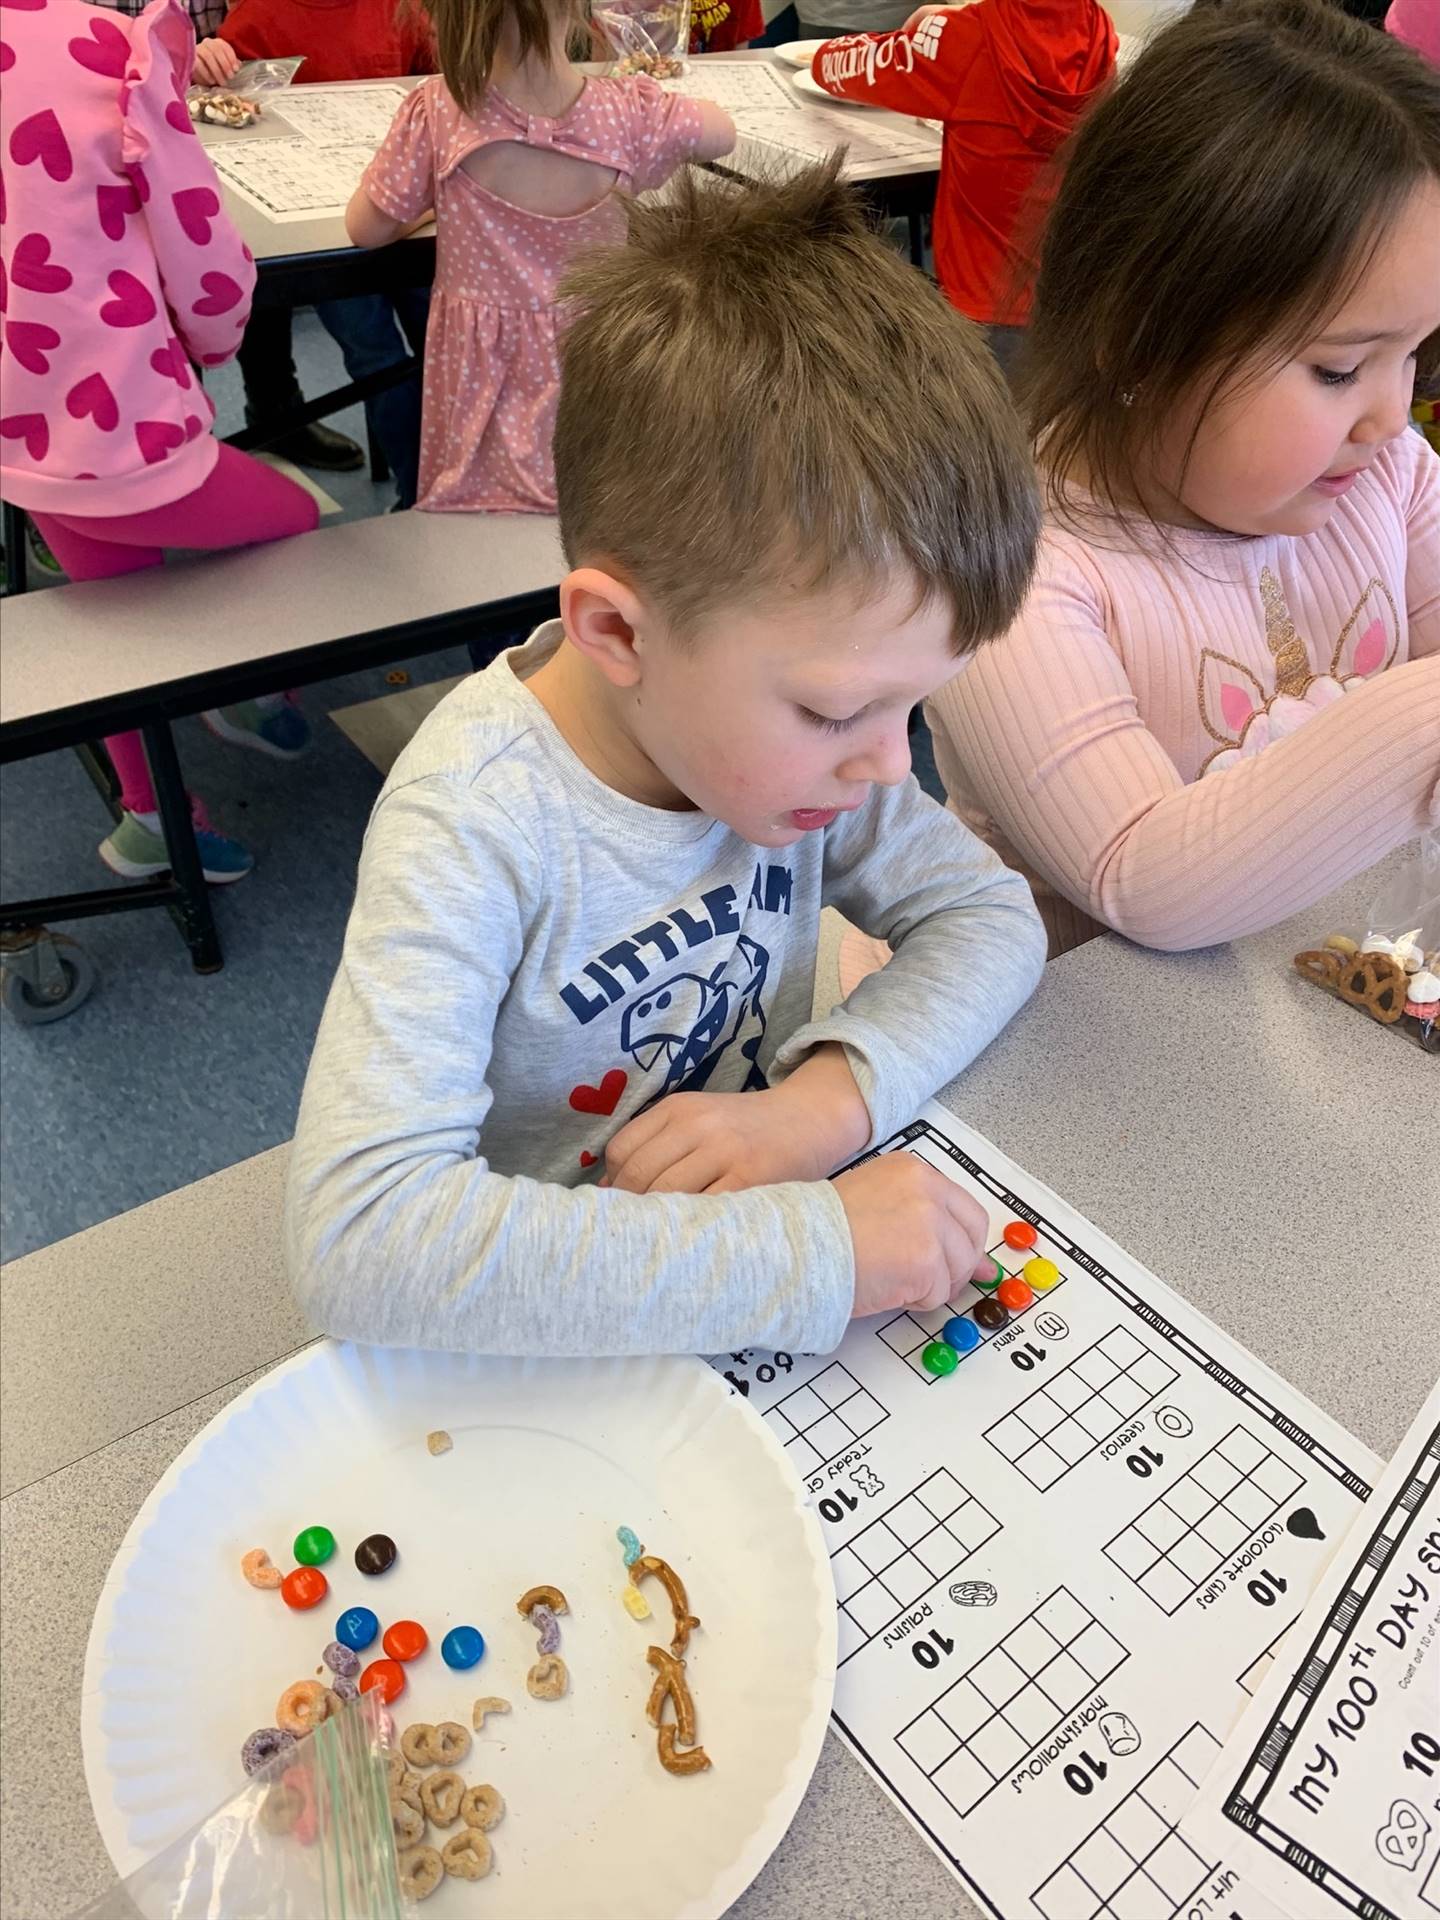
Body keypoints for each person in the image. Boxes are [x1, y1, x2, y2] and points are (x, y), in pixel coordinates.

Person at [284, 160, 1047, 1359]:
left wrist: (814, 1112)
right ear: (619, 632)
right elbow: (361, 1239)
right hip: (549, 1322)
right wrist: (816, 1250)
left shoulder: (795, 759)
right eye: (844, 709)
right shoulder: (476, 821)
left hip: (733, 1267)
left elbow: (992, 918)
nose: (891, 769)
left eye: (913, 710)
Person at [920, 0, 1440, 959]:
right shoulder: (1016, 571)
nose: (1390, 413)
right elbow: (1144, 880)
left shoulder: (1384, 477)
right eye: (1338, 369)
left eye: (1413, 355)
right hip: (1079, 1059)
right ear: (1141, 329)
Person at [0, 0, 319, 883]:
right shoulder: (107, 45)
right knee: (294, 520)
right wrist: (215, 341)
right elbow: (200, 246)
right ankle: (250, 690)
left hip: (20, 429)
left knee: (114, 621)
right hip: (127, 422)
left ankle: (153, 817)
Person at [341, 0, 734, 515]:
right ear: (579, 9)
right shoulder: (630, 112)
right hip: (594, 365)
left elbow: (366, 228)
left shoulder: (437, 111)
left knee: (478, 521)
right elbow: (721, 133)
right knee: (595, 504)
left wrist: (427, 209)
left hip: (479, 380)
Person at [194, 0, 438, 500]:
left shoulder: (399, 10)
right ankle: (419, 494)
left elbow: (435, 88)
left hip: (406, 217)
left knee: (441, 340)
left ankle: (449, 486)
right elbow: (215, 115)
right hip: (325, 231)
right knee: (375, 354)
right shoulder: (257, 20)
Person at [810, 0, 1116, 374]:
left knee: (978, 422)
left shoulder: (967, 36)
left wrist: (930, 34)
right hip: (1067, 297)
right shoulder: (1098, 31)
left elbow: (848, 66)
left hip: (979, 306)